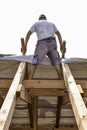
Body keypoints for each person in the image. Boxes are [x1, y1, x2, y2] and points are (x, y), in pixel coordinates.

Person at [23, 14, 63, 79]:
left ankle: (30, 79)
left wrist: (25, 45)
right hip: (52, 43)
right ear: (45, 19)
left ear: (39, 19)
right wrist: (61, 45)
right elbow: (58, 34)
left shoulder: (36, 23)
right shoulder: (51, 24)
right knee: (56, 62)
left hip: (42, 43)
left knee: (35, 60)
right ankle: (61, 79)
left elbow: (29, 33)